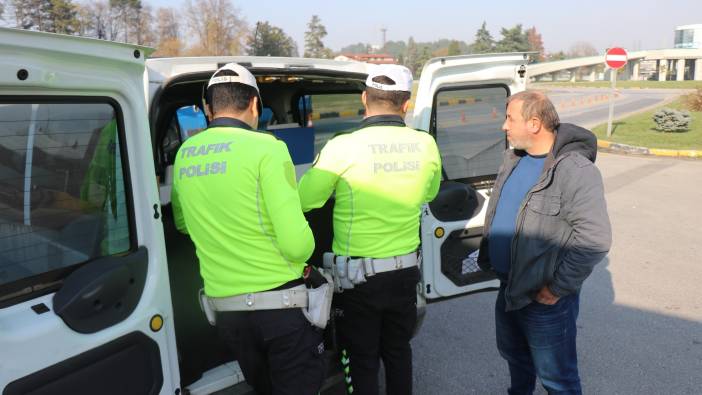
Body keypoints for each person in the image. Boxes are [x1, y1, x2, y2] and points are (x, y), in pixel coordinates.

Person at [171, 63, 325, 395]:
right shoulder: (267, 148)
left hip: (228, 313)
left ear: (208, 109)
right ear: (255, 104)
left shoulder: (185, 154)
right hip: (280, 309)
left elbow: (183, 223)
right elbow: (298, 246)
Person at [298, 64, 442, 395]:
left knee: (362, 359)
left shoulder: (342, 146)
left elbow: (306, 200)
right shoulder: (425, 145)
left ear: (365, 98)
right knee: (398, 351)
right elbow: (430, 193)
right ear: (405, 104)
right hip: (405, 273)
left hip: (357, 281)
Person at [478, 90, 612, 395]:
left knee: (558, 380)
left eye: (510, 118)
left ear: (535, 123)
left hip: (543, 298)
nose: (504, 126)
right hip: (509, 286)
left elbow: (594, 238)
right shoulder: (513, 159)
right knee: (516, 361)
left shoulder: (575, 170)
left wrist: (556, 289)